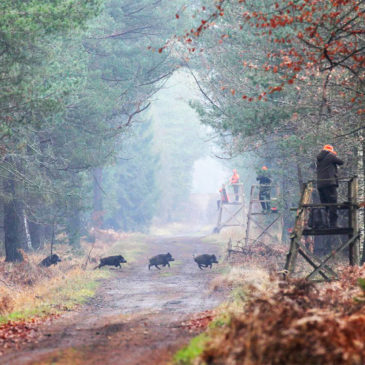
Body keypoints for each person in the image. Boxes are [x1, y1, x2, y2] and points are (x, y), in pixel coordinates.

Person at [316, 144, 343, 227]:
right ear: (330, 150)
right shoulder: (331, 156)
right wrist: (334, 154)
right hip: (329, 184)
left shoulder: (319, 158)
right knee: (333, 204)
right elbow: (341, 162)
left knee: (325, 204)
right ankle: (333, 224)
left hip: (320, 184)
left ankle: (324, 223)